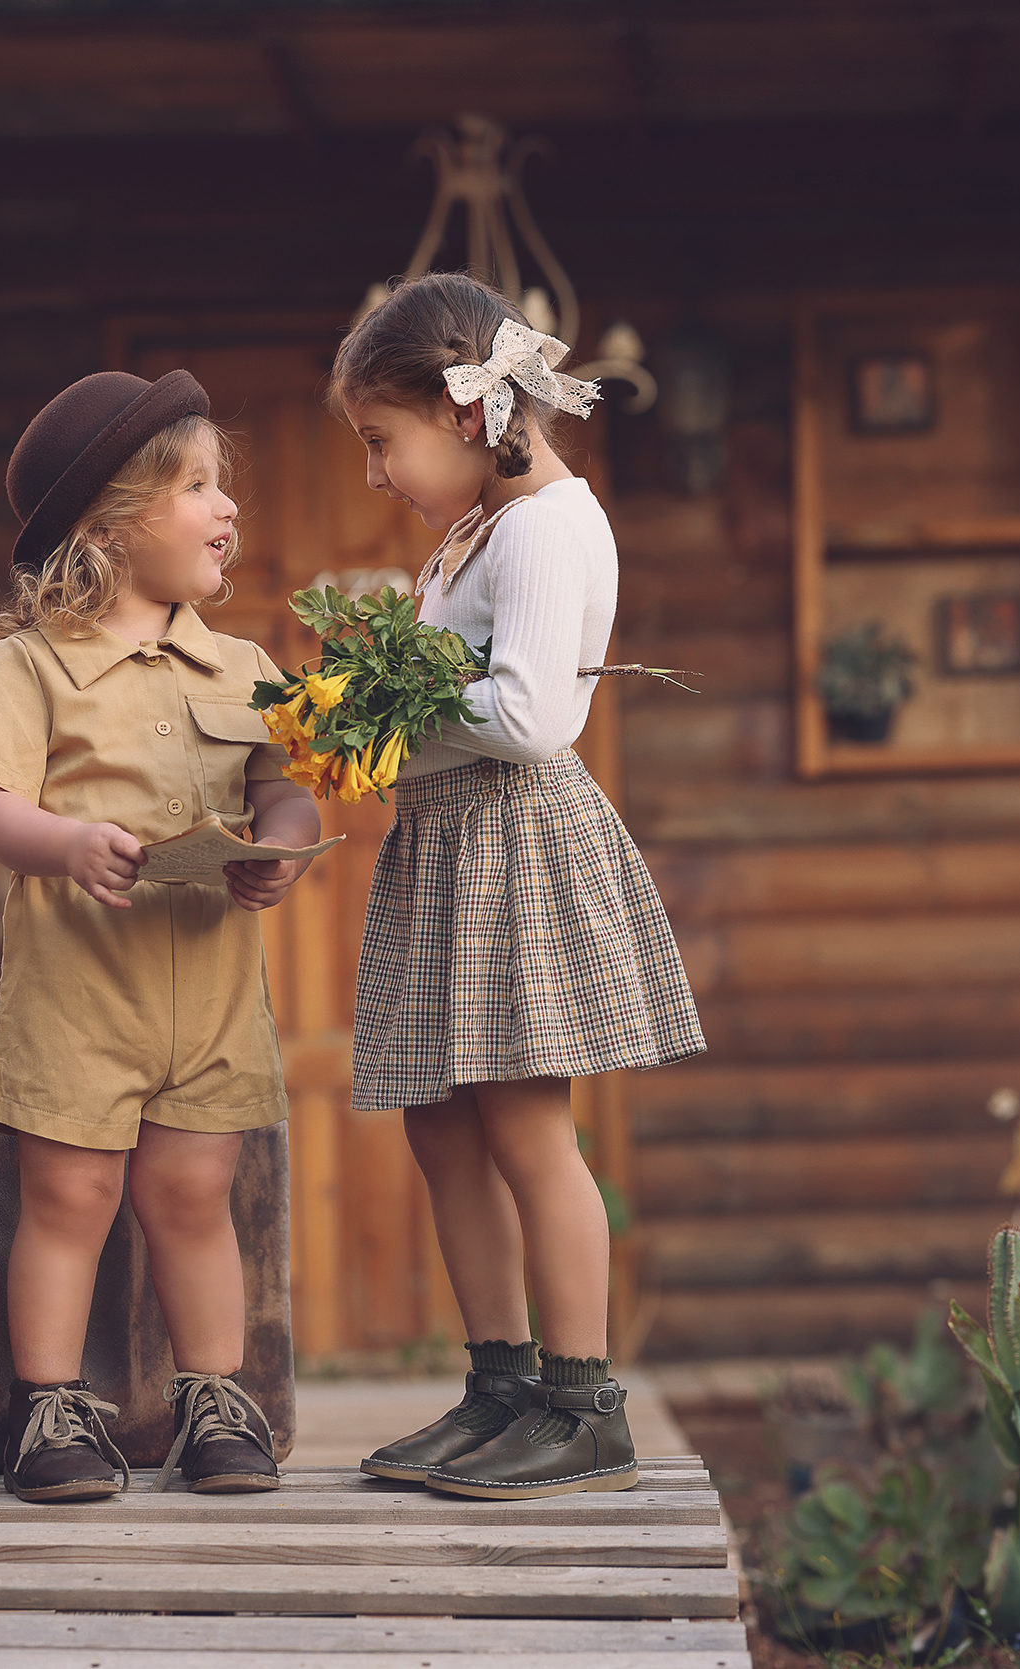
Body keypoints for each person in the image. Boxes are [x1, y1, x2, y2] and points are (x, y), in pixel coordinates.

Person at [329, 275, 705, 1499]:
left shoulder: (550, 522)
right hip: (445, 838)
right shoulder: (472, 532)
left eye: (382, 441)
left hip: (510, 841)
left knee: (526, 1125)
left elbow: (537, 714)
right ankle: (499, 1386)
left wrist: (382, 714)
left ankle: (583, 1399)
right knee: (441, 1122)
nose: (377, 472)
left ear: (460, 408)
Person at [0, 370, 319, 1504]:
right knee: (70, 1199)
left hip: (206, 994)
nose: (227, 507)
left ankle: (212, 1398)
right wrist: (61, 844)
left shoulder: (245, 667)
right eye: (197, 486)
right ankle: (50, 1408)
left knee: (195, 1196)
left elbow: (284, 785)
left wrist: (279, 845)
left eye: (223, 484)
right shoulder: (30, 662)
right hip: (76, 992)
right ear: (107, 525)